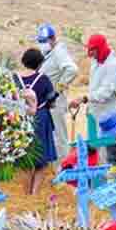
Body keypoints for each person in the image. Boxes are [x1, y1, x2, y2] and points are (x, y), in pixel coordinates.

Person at [69, 34, 116, 166]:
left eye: (92, 50)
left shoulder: (112, 65)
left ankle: (108, 181)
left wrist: (85, 98)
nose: (89, 53)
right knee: (96, 149)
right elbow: (94, 87)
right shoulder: (96, 61)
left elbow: (105, 92)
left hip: (108, 112)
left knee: (106, 150)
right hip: (96, 111)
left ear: (100, 48)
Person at [36, 24, 78, 163]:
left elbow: (72, 70)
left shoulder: (59, 52)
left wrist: (57, 90)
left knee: (59, 136)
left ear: (53, 38)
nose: (42, 44)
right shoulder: (48, 53)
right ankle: (55, 168)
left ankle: (63, 169)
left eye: (45, 41)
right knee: (52, 136)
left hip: (55, 100)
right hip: (47, 101)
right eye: (40, 41)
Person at [19, 48, 58, 195]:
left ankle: (25, 194)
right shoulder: (43, 79)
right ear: (39, 64)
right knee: (42, 161)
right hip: (40, 120)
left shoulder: (15, 79)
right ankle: (34, 194)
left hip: (20, 120)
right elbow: (52, 103)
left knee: (26, 160)